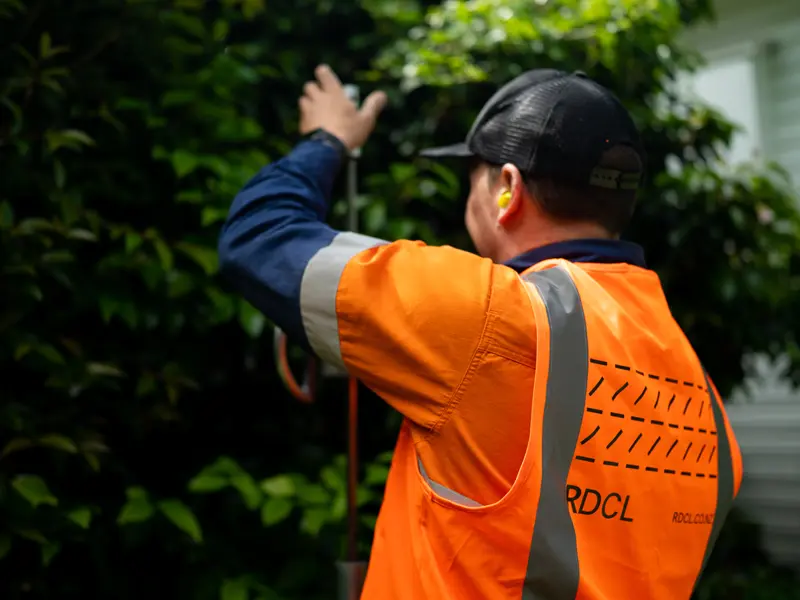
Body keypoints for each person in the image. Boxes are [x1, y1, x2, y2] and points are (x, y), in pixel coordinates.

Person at [217, 64, 744, 600]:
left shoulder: (493, 317)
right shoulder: (705, 401)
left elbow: (261, 235)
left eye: (473, 177)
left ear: (506, 190)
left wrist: (328, 138)